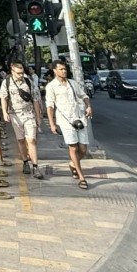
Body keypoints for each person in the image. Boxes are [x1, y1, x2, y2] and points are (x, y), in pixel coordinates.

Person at [45, 59, 93, 190]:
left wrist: (88, 106)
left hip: (79, 118)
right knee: (73, 148)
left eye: (65, 69)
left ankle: (73, 164)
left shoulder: (72, 83)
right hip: (65, 121)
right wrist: (52, 123)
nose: (63, 71)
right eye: (61, 69)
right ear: (55, 71)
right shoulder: (51, 86)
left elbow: (83, 95)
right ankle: (81, 177)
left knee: (83, 149)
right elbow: (50, 106)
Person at [0, 61, 44, 179]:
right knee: (21, 140)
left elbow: (35, 99)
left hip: (29, 114)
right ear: (12, 72)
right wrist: (5, 112)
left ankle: (35, 166)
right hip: (15, 115)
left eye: (22, 73)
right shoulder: (6, 82)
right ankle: (25, 161)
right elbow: (3, 97)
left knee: (31, 139)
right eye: (18, 73)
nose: (21, 75)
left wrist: (38, 116)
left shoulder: (28, 82)